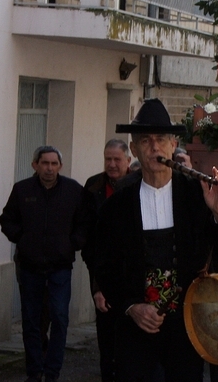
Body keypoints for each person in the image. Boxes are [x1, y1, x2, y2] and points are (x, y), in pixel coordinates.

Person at [93, 99, 218, 382]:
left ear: (173, 145)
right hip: (136, 329)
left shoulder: (197, 195)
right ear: (134, 149)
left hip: (187, 326)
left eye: (161, 139)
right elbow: (104, 267)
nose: (154, 147)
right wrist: (132, 307)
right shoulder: (117, 205)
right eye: (145, 141)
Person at [0, 146, 87, 382]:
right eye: (44, 163)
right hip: (30, 266)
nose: (49, 168)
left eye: (53, 164)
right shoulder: (22, 190)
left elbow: (85, 222)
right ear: (35, 165)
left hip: (60, 266)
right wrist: (24, 239)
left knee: (59, 317)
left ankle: (52, 372)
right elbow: (6, 220)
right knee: (31, 320)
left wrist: (72, 244)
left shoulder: (73, 190)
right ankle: (34, 371)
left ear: (60, 166)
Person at [81, 139, 132, 382]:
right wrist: (97, 287)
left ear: (128, 161)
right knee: (107, 344)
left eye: (117, 159)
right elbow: (90, 243)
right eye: (107, 159)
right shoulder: (93, 186)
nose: (111, 164)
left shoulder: (140, 183)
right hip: (104, 277)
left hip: (134, 278)